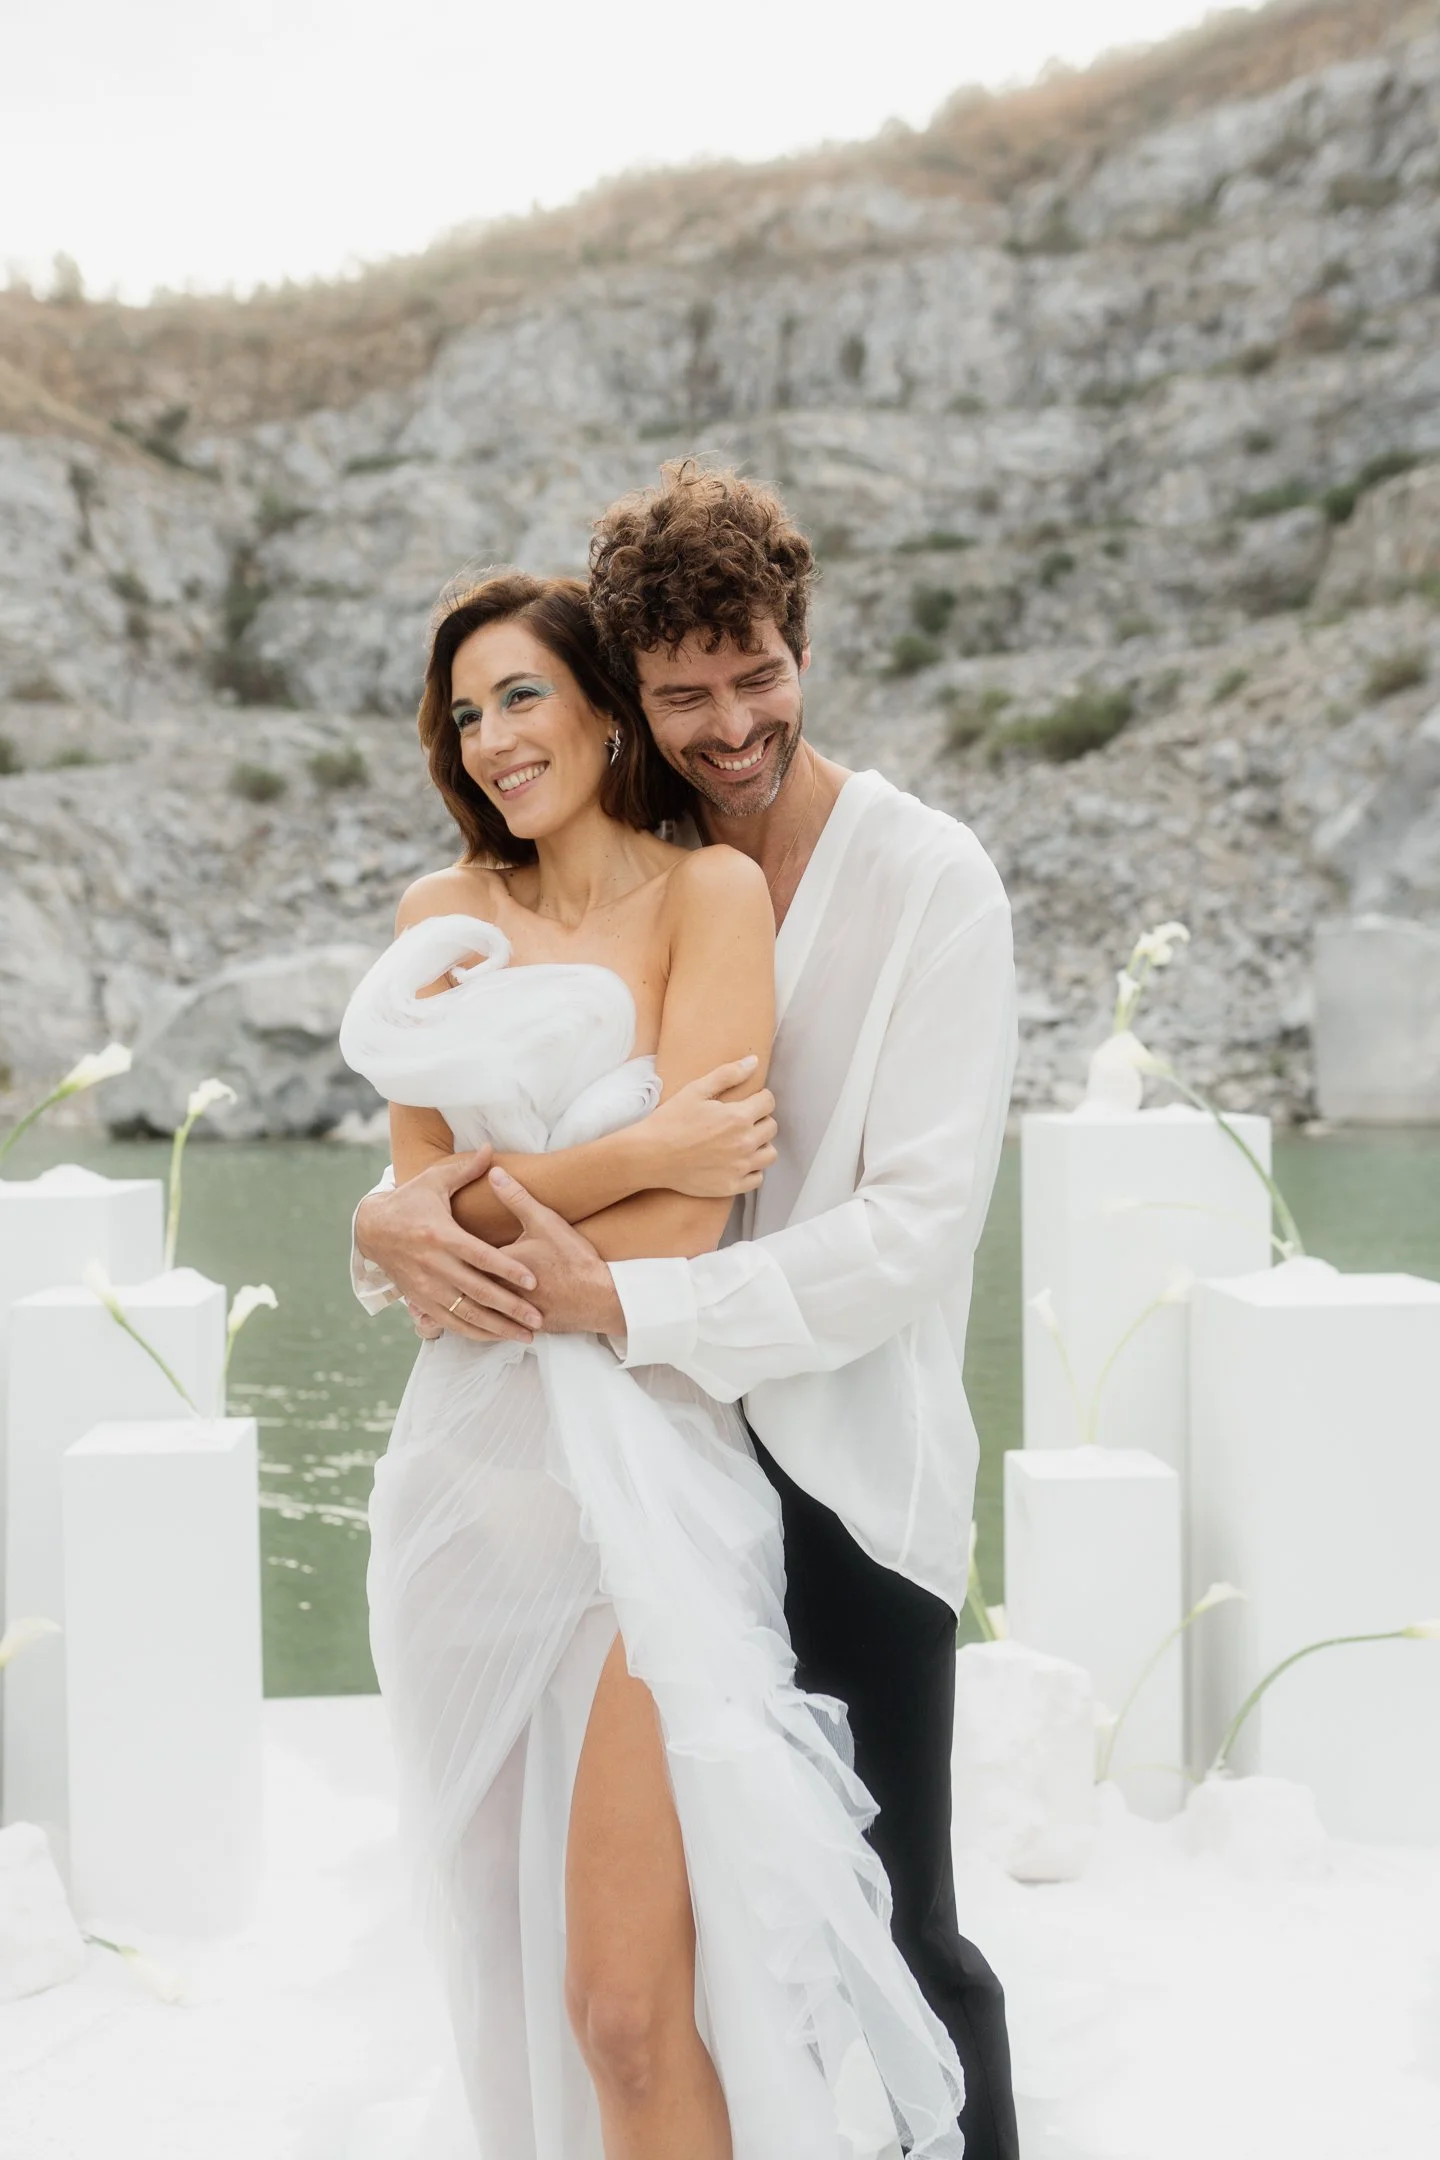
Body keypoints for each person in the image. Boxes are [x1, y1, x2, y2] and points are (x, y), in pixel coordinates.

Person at [353, 468, 1021, 2160]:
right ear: (631, 699)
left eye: (759, 677)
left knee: (896, 1922)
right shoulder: (581, 880)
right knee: (674, 1963)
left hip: (838, 1453)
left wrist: (601, 1282)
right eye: (685, 694)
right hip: (608, 1455)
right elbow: (434, 1199)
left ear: (802, 647)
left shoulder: (926, 881)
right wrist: (392, 1219)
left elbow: (912, 1229)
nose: (732, 724)